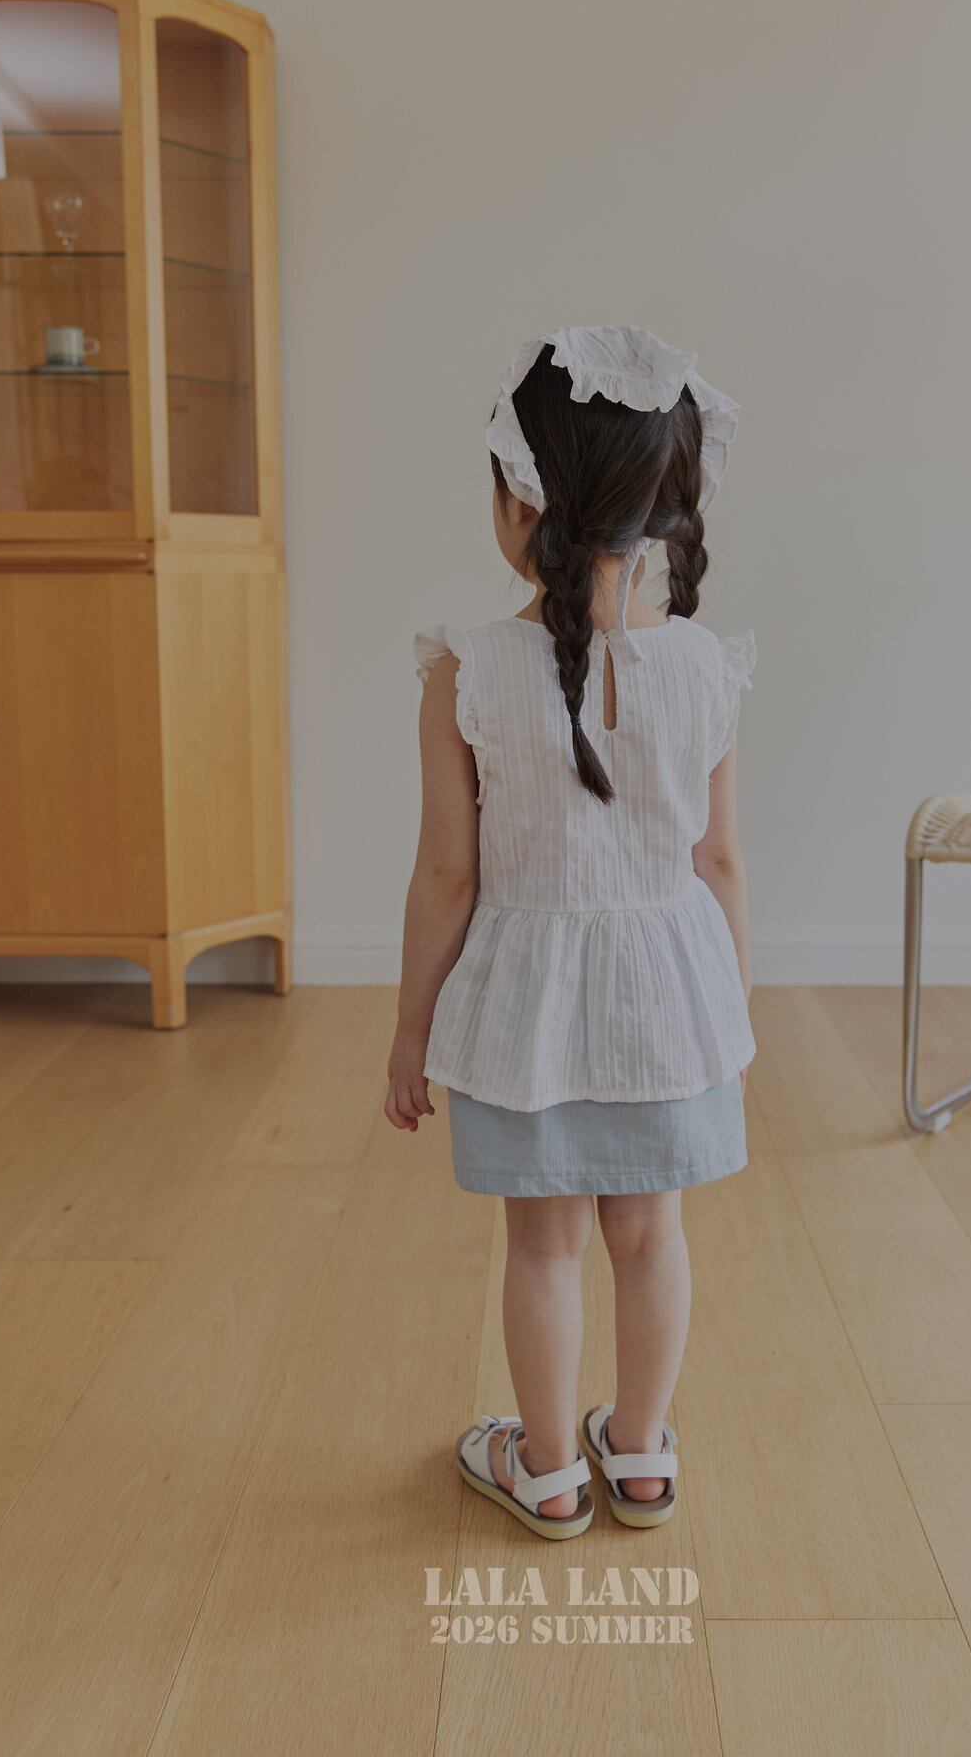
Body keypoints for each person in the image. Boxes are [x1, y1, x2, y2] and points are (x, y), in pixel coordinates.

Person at [385, 326, 755, 1540]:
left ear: (517, 500)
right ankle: (637, 1456)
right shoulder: (704, 667)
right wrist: (728, 1018)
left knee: (541, 1248)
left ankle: (545, 1470)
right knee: (649, 1237)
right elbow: (717, 862)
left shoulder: (465, 674)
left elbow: (447, 874)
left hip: (523, 1010)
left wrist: (409, 1036)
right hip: (665, 1002)